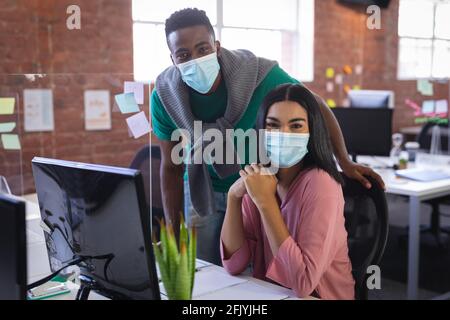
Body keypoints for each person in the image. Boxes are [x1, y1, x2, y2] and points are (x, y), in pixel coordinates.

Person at [151, 8, 384, 265]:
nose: (194, 60)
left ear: (217, 47)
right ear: (172, 59)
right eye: (183, 55)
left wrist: (344, 161)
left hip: (259, 189)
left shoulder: (256, 75)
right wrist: (172, 230)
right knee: (203, 271)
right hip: (201, 191)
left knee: (256, 270)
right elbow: (171, 167)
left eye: (202, 49)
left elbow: (316, 106)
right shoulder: (165, 97)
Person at [220, 84, 355, 299]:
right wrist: (233, 198)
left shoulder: (322, 184)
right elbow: (233, 265)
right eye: (273, 125)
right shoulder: (260, 178)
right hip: (271, 294)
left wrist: (266, 203)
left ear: (312, 131)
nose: (283, 135)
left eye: (296, 126)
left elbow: (303, 283)